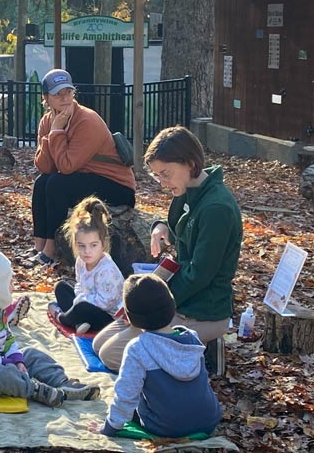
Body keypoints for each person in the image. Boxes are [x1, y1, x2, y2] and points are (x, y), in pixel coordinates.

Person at [93, 126, 242, 372]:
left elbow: (199, 275)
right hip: (178, 303)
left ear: (190, 163)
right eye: (157, 176)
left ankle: (191, 356)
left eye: (166, 174)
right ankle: (177, 348)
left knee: (111, 355)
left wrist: (151, 305)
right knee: (99, 344)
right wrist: (160, 225)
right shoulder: (188, 189)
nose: (163, 183)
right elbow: (180, 228)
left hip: (201, 310)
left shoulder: (217, 209)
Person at [0, 247, 100, 407]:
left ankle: (62, 382)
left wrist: (17, 360)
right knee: (3, 376)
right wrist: (8, 364)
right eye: (8, 282)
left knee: (32, 354)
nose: (12, 285)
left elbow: (7, 337)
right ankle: (36, 390)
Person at [29, 68, 136, 267]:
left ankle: (50, 251)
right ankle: (39, 246)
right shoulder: (47, 121)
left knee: (56, 184)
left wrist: (57, 132)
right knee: (42, 182)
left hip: (117, 185)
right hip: (85, 177)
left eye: (68, 92)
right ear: (46, 98)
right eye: (57, 94)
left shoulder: (87, 120)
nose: (64, 98)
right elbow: (45, 167)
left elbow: (67, 166)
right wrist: (52, 132)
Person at [98, 274, 221, 438]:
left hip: (166, 427)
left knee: (134, 401)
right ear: (172, 307)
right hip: (209, 420)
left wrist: (110, 428)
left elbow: (126, 395)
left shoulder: (138, 348)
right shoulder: (192, 338)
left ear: (130, 317)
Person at [47, 196, 124, 335]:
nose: (87, 251)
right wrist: (79, 296)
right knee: (61, 287)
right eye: (81, 246)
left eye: (93, 245)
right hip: (86, 303)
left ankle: (62, 317)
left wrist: (81, 300)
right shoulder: (81, 262)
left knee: (82, 308)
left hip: (108, 317)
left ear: (103, 243)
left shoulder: (107, 270)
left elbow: (106, 303)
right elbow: (80, 284)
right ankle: (79, 322)